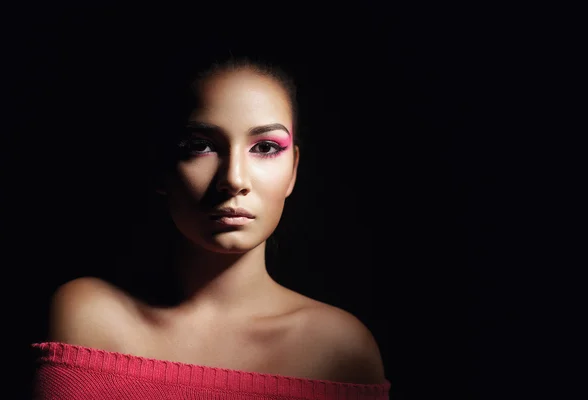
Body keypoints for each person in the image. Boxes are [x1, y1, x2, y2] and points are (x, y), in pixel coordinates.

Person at [31, 50, 391, 399]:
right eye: (201, 145)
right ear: (162, 166)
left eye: (265, 147)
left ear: (293, 169)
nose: (233, 179)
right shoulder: (87, 316)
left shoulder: (340, 350)